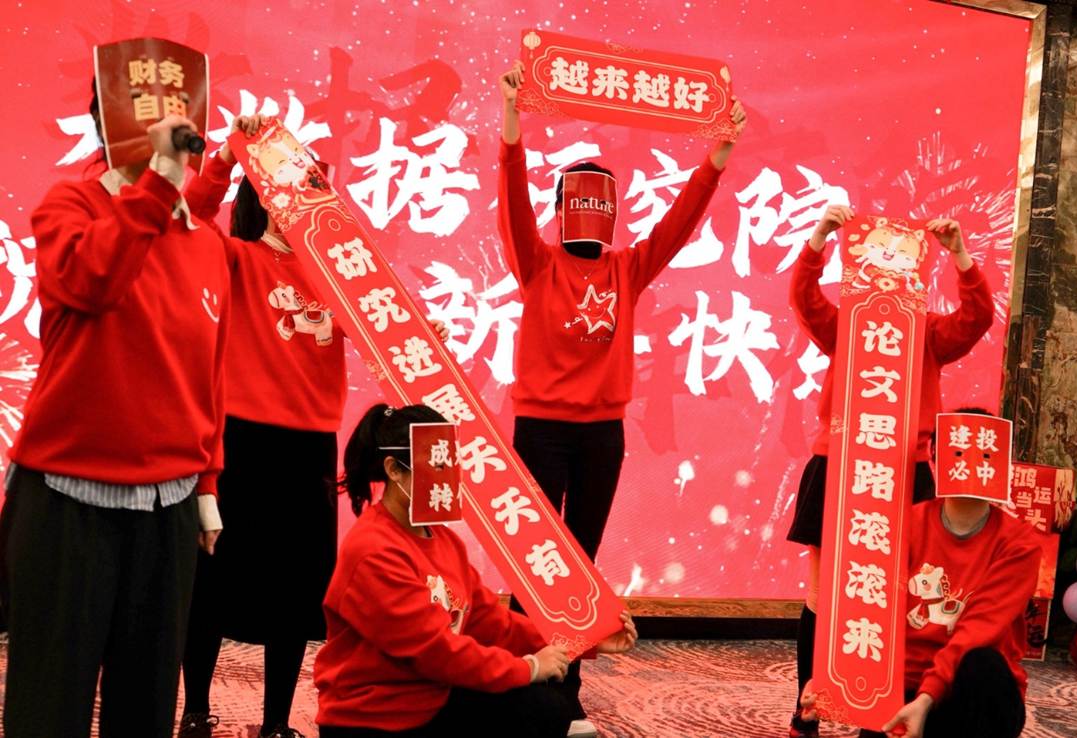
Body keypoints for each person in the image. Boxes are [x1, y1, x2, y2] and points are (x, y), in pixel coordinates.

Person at [177, 117, 451, 738]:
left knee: (296, 593)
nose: (302, 200)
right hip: (242, 443)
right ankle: (195, 712)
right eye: (291, 187)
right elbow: (190, 217)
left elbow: (385, 335)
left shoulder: (339, 280)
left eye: (313, 189)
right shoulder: (237, 256)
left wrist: (423, 335)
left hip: (309, 452)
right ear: (265, 196)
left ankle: (275, 724)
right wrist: (224, 159)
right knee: (213, 583)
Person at [496, 59, 746, 734]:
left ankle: (566, 691)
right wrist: (512, 122)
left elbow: (678, 224)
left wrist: (716, 158)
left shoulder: (627, 268)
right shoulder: (537, 262)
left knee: (579, 565)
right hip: (540, 429)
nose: (591, 215)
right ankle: (521, 683)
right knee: (532, 563)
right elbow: (512, 204)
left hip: (601, 435)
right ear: (561, 210)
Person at [0, 84, 229, 737]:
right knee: (50, 706)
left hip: (168, 504)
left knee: (146, 706)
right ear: (109, 123)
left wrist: (206, 488)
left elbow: (208, 374)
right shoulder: (70, 205)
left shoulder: (206, 241)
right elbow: (92, 281)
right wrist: (156, 185)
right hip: (68, 496)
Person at [786, 206, 994, 738]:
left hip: (905, 473)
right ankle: (806, 712)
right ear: (860, 261)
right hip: (839, 466)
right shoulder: (847, 322)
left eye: (901, 256)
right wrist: (820, 237)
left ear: (915, 270)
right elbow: (805, 302)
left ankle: (875, 712)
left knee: (895, 597)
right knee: (821, 596)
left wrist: (960, 254)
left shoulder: (928, 331)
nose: (889, 263)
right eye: (878, 253)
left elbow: (977, 319)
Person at [313, 403, 638, 738]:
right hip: (373, 716)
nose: (449, 477)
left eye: (452, 463)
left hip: (429, 697)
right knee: (538, 706)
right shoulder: (374, 551)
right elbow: (435, 652)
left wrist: (586, 639)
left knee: (546, 707)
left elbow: (491, 622)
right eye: (438, 464)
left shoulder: (443, 539)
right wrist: (528, 667)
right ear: (394, 469)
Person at [856, 411, 1041, 738]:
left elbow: (978, 628)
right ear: (934, 460)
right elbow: (867, 608)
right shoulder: (900, 525)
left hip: (972, 693)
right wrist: (828, 680)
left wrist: (928, 697)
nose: (970, 465)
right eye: (957, 453)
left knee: (982, 662)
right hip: (903, 685)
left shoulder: (1019, 543)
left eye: (986, 456)